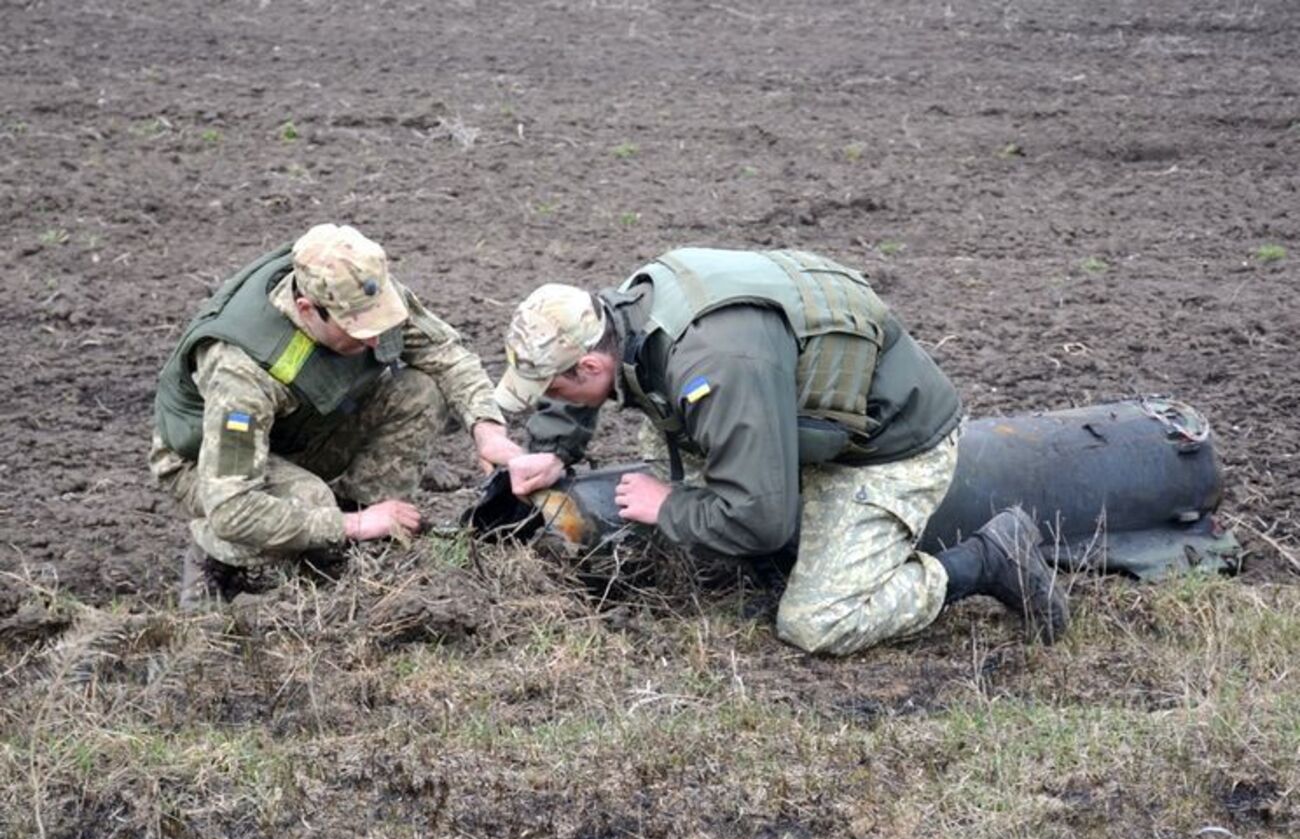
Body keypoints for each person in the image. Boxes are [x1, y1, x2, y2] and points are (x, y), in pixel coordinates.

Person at [493, 247, 1068, 653]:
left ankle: (986, 560)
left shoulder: (716, 367)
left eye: (553, 389)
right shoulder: (622, 313)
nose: (549, 399)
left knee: (818, 622)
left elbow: (760, 518)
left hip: (886, 446)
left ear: (590, 364)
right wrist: (554, 449)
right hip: (785, 417)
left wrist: (668, 506)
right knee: (680, 457)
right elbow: (589, 378)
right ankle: (784, 556)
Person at [150, 223, 522, 607]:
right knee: (310, 502)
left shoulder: (362, 292)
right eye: (358, 330)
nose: (376, 339)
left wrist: (487, 429)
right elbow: (232, 507)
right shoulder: (241, 370)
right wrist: (350, 525)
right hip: (205, 463)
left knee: (420, 391)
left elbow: (446, 355)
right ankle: (215, 557)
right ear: (307, 310)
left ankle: (350, 551)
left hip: (299, 430)